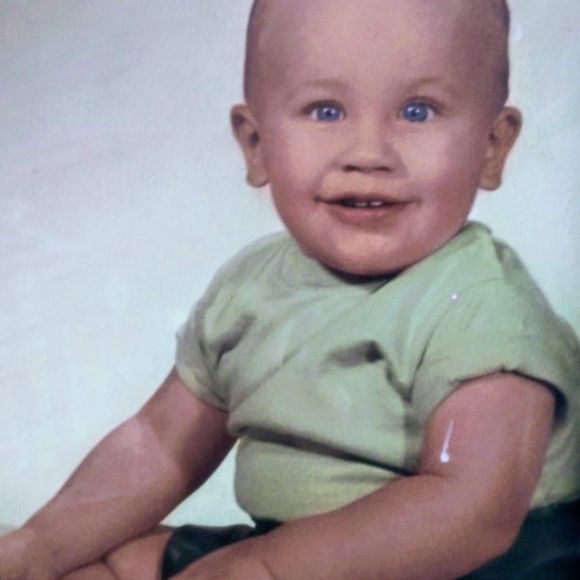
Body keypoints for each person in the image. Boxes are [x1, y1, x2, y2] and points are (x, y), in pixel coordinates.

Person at [2, 0, 579, 578]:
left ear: (491, 147)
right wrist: (40, 545)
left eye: (417, 111)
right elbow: (160, 446)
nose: (368, 153)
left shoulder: (482, 305)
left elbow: (473, 511)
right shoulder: (251, 288)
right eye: (326, 111)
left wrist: (265, 569)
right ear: (256, 145)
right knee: (109, 561)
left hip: (478, 562)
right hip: (290, 550)